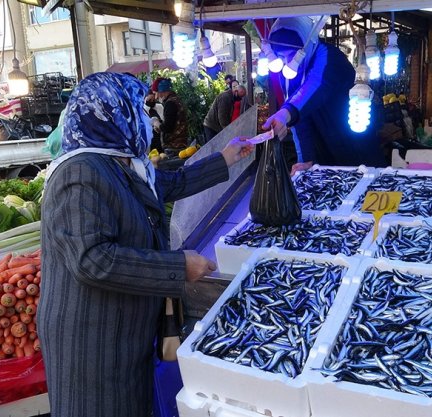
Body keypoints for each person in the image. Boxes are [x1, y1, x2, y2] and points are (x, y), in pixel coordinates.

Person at [37, 72, 253, 417]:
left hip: (125, 330)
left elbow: (172, 182)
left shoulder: (122, 163)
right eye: (135, 109)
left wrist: (227, 157)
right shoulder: (79, 173)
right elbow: (92, 259)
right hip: (92, 340)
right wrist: (178, 267)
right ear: (109, 115)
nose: (145, 117)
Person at [262, 17, 386, 174]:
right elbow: (300, 123)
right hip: (324, 153)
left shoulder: (329, 56)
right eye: (281, 56)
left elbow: (315, 86)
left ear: (305, 48)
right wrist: (305, 161)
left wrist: (285, 113)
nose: (287, 61)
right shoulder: (288, 71)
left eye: (292, 55)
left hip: (356, 145)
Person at [149, 77, 189, 150]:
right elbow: (172, 123)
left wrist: (156, 123)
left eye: (155, 94)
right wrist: (160, 127)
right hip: (181, 143)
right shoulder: (176, 100)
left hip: (175, 146)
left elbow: (167, 127)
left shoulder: (170, 103)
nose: (155, 98)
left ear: (161, 91)